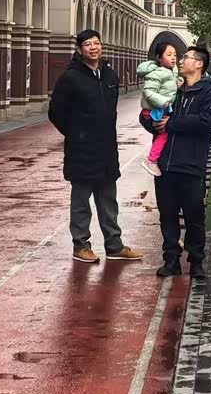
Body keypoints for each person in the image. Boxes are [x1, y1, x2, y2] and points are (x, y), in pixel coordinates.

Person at [48, 29, 142, 264]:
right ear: (79, 49)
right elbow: (56, 112)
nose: (93, 47)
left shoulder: (110, 75)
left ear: (102, 46)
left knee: (109, 199)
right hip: (81, 150)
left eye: (96, 43)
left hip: (107, 148)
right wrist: (76, 134)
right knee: (81, 201)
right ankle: (81, 245)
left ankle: (114, 245)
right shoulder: (70, 77)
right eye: (88, 44)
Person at [151, 46, 211, 280]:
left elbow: (206, 122)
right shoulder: (174, 90)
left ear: (199, 64)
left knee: (194, 216)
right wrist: (151, 120)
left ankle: (196, 260)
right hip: (165, 165)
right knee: (167, 215)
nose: (181, 61)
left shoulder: (208, 93)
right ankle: (171, 259)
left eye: (186, 58)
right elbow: (156, 114)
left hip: (192, 166)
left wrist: (172, 123)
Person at [136, 42, 180, 177]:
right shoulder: (156, 73)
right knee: (163, 133)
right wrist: (164, 102)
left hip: (160, 110)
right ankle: (151, 160)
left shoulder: (172, 71)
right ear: (159, 58)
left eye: (175, 55)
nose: (173, 57)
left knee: (162, 133)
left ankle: (155, 158)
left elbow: (170, 85)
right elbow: (148, 92)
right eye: (169, 54)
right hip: (152, 111)